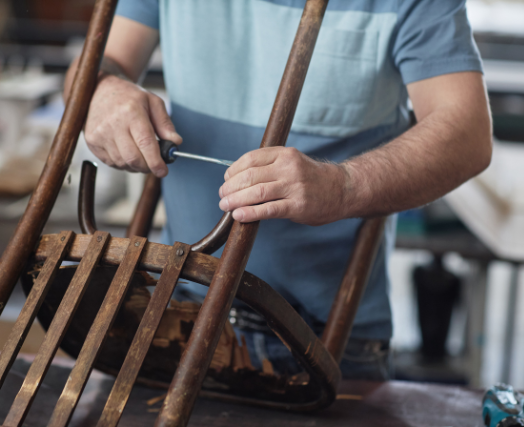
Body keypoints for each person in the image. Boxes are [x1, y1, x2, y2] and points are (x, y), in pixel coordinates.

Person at [64, 0, 492, 380]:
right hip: (176, 307)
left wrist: (341, 186)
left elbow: (467, 133)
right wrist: (102, 91)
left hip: (323, 340)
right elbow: (100, 65)